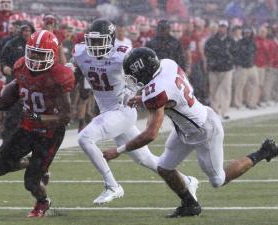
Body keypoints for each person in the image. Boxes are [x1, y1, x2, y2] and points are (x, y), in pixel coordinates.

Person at [103, 47, 278, 218]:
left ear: (144, 71)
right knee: (164, 168)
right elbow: (169, 94)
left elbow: (150, 134)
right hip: (186, 126)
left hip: (204, 130)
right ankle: (190, 204)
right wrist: (142, 98)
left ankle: (263, 152)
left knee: (218, 180)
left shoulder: (157, 91)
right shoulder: (167, 64)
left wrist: (118, 150)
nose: (133, 80)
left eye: (134, 75)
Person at [71, 18, 198, 205]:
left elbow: (146, 75)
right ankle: (187, 181)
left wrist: (132, 90)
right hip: (107, 112)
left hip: (123, 110)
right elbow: (75, 71)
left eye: (100, 41)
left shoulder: (122, 55)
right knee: (145, 159)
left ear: (111, 39)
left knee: (84, 138)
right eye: (92, 40)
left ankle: (112, 186)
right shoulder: (81, 51)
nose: (95, 45)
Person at [0, 30, 75, 217]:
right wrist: (4, 98)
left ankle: (42, 202)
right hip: (28, 127)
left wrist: (40, 118)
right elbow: (17, 85)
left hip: (50, 133)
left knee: (31, 182)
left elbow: (66, 116)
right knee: (0, 167)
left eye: (41, 54)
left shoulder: (59, 75)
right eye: (33, 53)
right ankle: (34, 164)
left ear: (52, 55)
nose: (36, 58)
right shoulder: (21, 66)